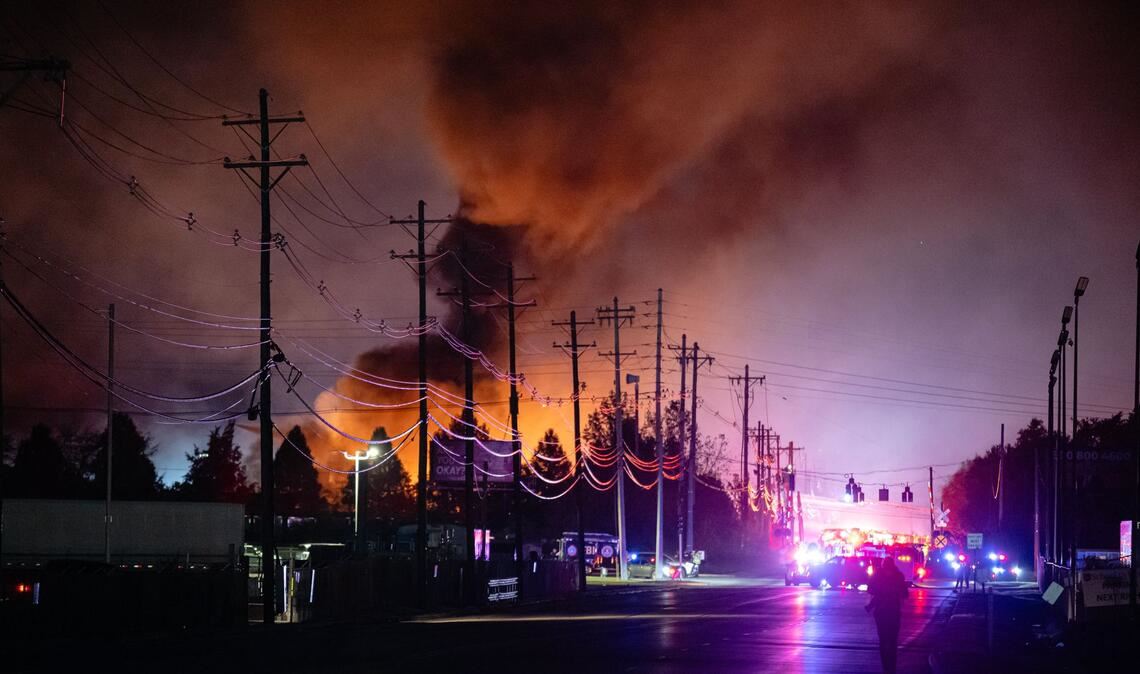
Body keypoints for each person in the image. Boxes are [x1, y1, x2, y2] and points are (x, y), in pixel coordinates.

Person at [866, 556, 908, 674]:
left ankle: (885, 667)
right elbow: (905, 594)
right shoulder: (898, 576)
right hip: (894, 611)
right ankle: (892, 668)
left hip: (881, 612)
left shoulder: (878, 575)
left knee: (883, 640)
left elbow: (870, 589)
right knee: (893, 641)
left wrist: (881, 592)